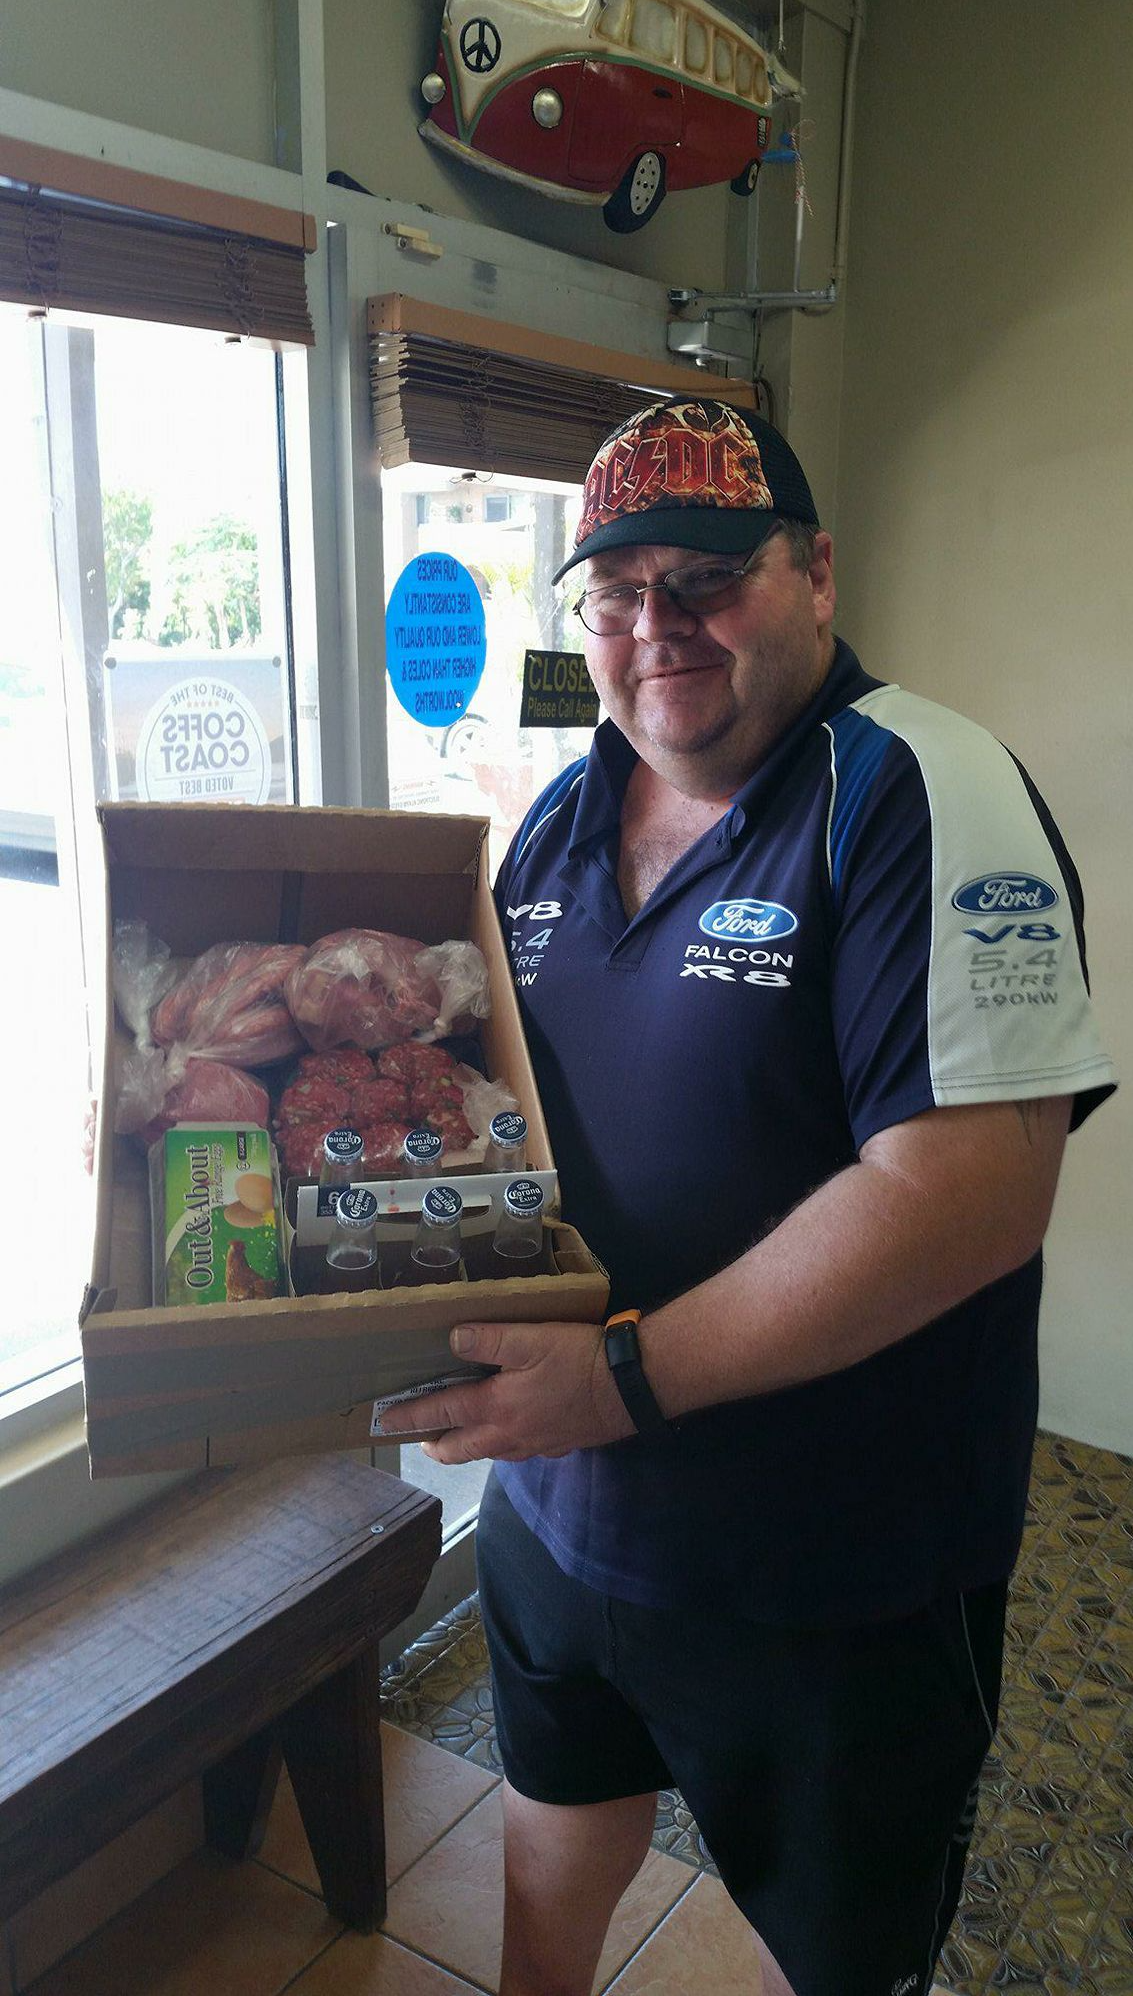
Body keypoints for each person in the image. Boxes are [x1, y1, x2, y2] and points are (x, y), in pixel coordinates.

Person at [378, 397, 1116, 1996]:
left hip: (833, 1569)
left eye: (707, 577)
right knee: (551, 1828)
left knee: (844, 1950)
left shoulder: (919, 785)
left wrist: (624, 1376)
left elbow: (976, 1191)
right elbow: (493, 1103)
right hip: (565, 1519)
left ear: (817, 575)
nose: (658, 629)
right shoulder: (564, 816)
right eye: (618, 589)